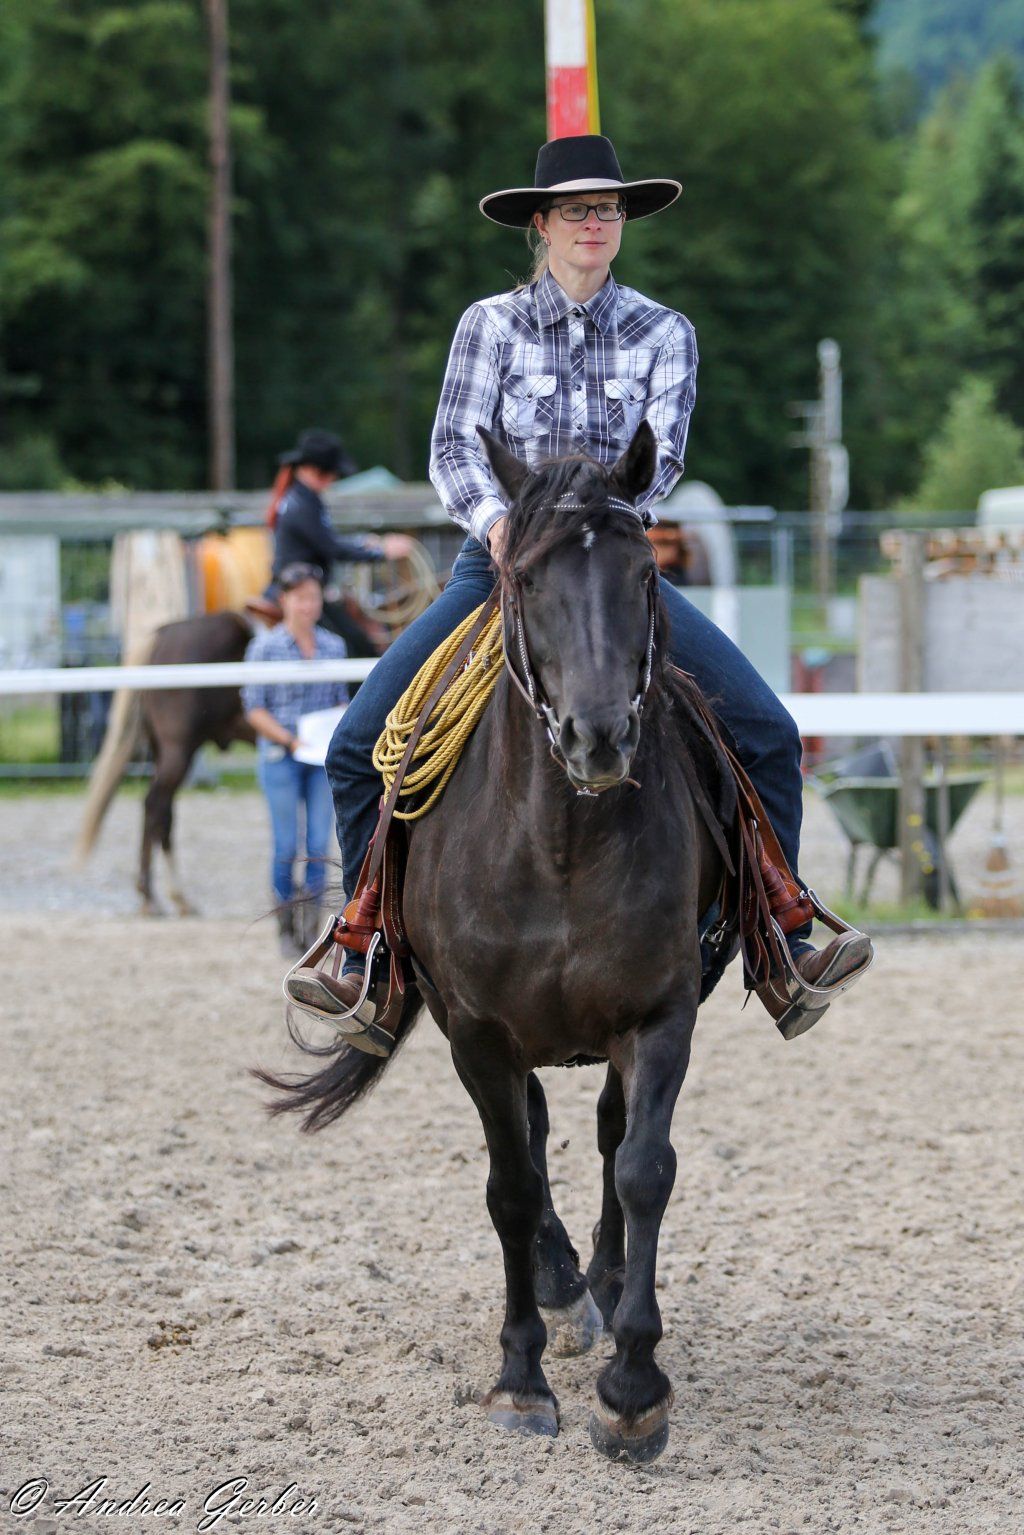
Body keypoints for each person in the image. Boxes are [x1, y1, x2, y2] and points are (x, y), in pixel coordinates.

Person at [288, 134, 872, 1040]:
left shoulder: (664, 331)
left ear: (621, 224)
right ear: (542, 224)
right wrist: (503, 526)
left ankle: (780, 933)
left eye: (608, 209)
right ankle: (369, 947)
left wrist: (590, 529)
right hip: (501, 563)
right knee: (358, 744)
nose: (595, 222)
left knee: (766, 731)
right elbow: (454, 448)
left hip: (608, 564)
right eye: (576, 209)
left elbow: (660, 457)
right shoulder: (489, 324)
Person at [243, 563, 350, 956]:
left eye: (314, 598)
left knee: (320, 841)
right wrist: (289, 739)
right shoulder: (265, 648)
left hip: (318, 757)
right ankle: (287, 919)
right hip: (282, 753)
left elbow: (340, 698)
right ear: (285, 600)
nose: (308, 605)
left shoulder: (333, 646)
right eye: (301, 598)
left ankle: (311, 923)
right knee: (286, 843)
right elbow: (254, 708)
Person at [252, 428, 415, 657]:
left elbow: (325, 541)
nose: (332, 479)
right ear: (315, 471)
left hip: (299, 583)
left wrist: (362, 542)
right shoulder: (303, 505)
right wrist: (381, 552)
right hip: (302, 587)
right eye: (329, 474)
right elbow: (331, 548)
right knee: (356, 646)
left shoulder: (300, 500)